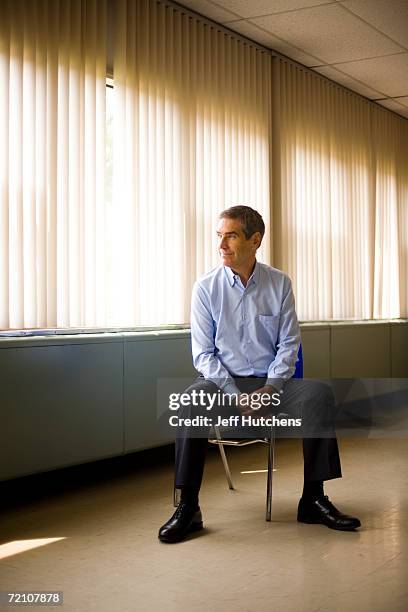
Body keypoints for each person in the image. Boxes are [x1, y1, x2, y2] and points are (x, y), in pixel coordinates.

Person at [158, 205, 361, 543]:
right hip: (223, 385)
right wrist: (236, 395)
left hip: (271, 385)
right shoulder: (206, 288)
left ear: (255, 240)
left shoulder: (279, 283)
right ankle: (188, 508)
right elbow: (204, 355)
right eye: (219, 236)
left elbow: (289, 345)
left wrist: (269, 388)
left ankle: (313, 498)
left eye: (231, 236)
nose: (221, 245)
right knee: (190, 399)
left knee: (319, 394)